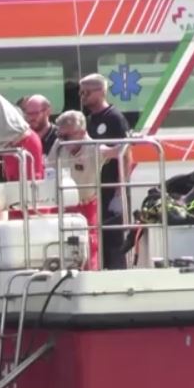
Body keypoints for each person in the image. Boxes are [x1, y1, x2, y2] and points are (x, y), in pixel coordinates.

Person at [48, 111, 120, 270]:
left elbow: (116, 151)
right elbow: (48, 168)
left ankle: (91, 275)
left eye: (66, 136)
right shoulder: (59, 145)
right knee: (59, 244)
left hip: (86, 206)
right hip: (62, 206)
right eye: (59, 135)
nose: (62, 140)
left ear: (81, 133)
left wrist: (130, 142)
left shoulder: (94, 148)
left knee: (89, 245)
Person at [79, 73, 131, 269]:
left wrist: (120, 190)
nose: (83, 97)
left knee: (114, 239)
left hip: (111, 188)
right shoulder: (89, 120)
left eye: (87, 92)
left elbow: (126, 155)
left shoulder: (114, 118)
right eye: (81, 93)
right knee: (97, 237)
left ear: (101, 92)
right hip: (95, 188)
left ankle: (119, 274)